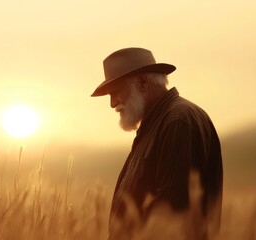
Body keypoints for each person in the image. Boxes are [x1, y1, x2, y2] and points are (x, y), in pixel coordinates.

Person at [91, 48, 223, 239]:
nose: (112, 103)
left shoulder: (177, 121)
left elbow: (171, 215)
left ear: (143, 82)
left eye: (115, 92)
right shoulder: (159, 123)